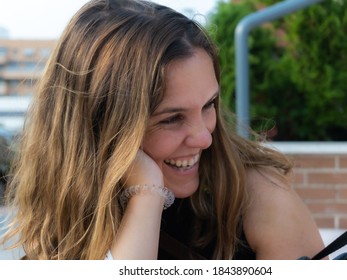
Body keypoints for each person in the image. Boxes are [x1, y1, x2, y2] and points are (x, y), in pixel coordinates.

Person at [0, 0, 325, 260]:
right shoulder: (61, 210)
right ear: (101, 125)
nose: (204, 137)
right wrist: (147, 196)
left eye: (209, 104)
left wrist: (148, 192)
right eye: (171, 118)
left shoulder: (257, 194)